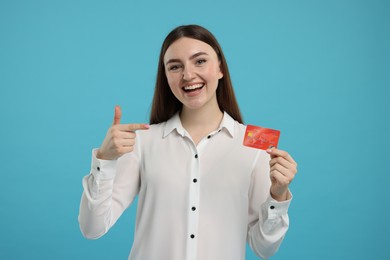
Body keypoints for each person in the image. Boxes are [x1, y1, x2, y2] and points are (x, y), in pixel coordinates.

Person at [78, 24, 298, 260]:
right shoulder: (143, 141)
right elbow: (92, 228)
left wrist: (278, 195)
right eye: (175, 66)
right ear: (166, 76)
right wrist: (105, 161)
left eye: (200, 61)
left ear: (221, 68)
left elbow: (264, 248)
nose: (188, 75)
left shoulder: (255, 144)